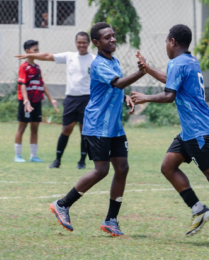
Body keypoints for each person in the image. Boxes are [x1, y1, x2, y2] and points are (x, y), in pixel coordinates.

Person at [131, 24, 209, 247]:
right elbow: (172, 81)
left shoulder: (177, 63)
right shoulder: (189, 61)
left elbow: (170, 95)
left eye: (165, 41)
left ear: (172, 42)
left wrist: (145, 97)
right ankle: (198, 209)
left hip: (198, 131)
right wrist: (149, 69)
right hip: (190, 130)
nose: (165, 46)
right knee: (168, 167)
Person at [49, 23, 144, 238]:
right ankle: (62, 204)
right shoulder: (99, 64)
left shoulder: (114, 61)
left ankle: (111, 220)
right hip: (97, 125)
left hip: (114, 127)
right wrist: (141, 71)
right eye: (107, 37)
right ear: (96, 43)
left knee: (122, 168)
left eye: (113, 36)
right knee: (101, 170)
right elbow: (117, 83)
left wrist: (126, 96)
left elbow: (115, 88)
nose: (112, 39)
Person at [15, 32, 95, 170]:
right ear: (75, 43)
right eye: (79, 42)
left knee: (85, 131)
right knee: (66, 129)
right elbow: (47, 56)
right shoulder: (70, 56)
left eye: (84, 42)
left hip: (87, 99)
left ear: (89, 43)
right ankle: (57, 160)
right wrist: (30, 55)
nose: (81, 45)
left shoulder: (94, 59)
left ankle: (82, 161)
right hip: (71, 99)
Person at [14, 40, 59, 163]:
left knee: (35, 128)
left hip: (37, 101)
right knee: (22, 127)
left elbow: (42, 84)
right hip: (26, 102)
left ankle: (33, 156)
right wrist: (26, 101)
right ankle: (17, 155)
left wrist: (51, 99)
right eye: (35, 51)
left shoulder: (37, 68)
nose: (37, 53)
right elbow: (22, 84)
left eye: (38, 50)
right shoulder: (23, 67)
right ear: (27, 52)